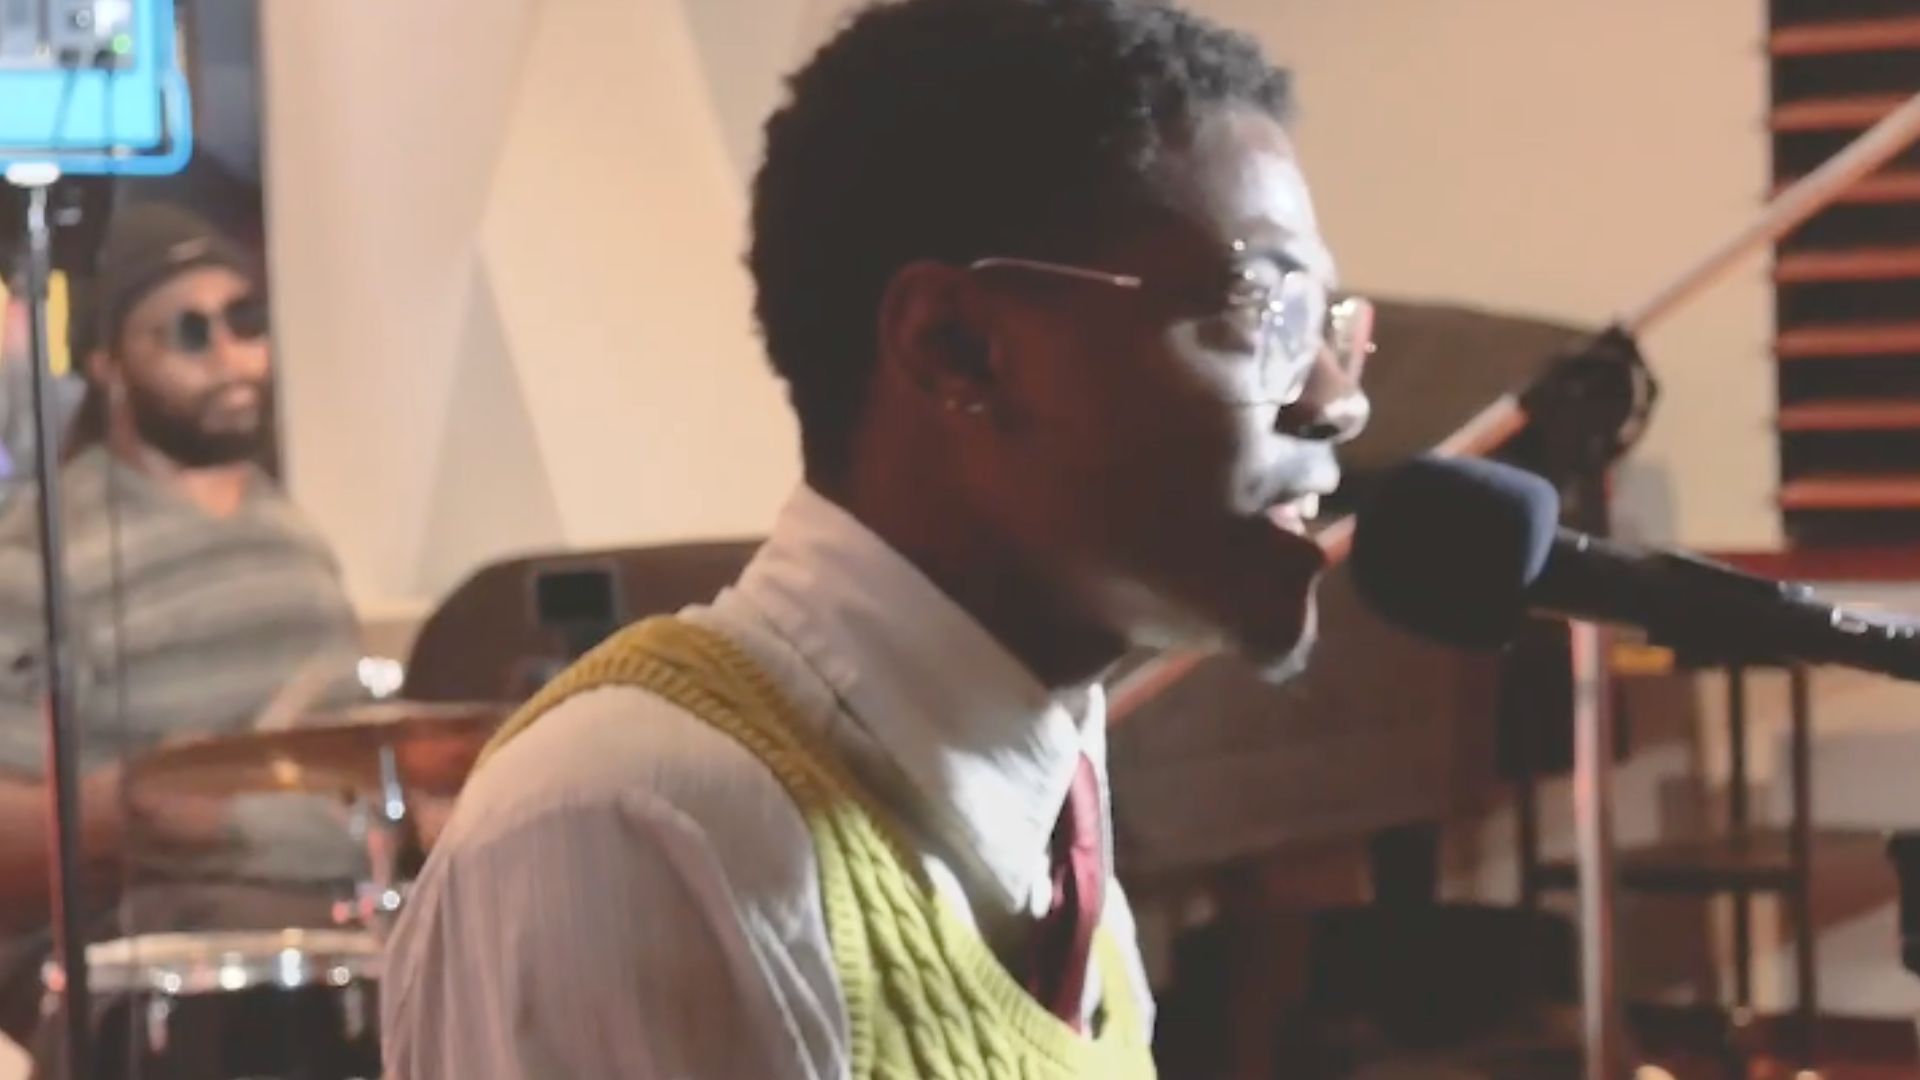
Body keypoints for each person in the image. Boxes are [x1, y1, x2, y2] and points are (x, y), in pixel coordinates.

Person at [382, 0, 1373, 1076]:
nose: (1335, 398)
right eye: (1259, 307)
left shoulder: (1049, 795)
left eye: (1326, 323)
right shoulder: (639, 826)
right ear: (956, 349)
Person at [0, 203, 368, 1047]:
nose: (234, 358)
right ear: (109, 366)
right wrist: (141, 807)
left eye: (246, 322)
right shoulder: (41, 553)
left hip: (320, 918)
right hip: (136, 964)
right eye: (189, 334)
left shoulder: (294, 538)